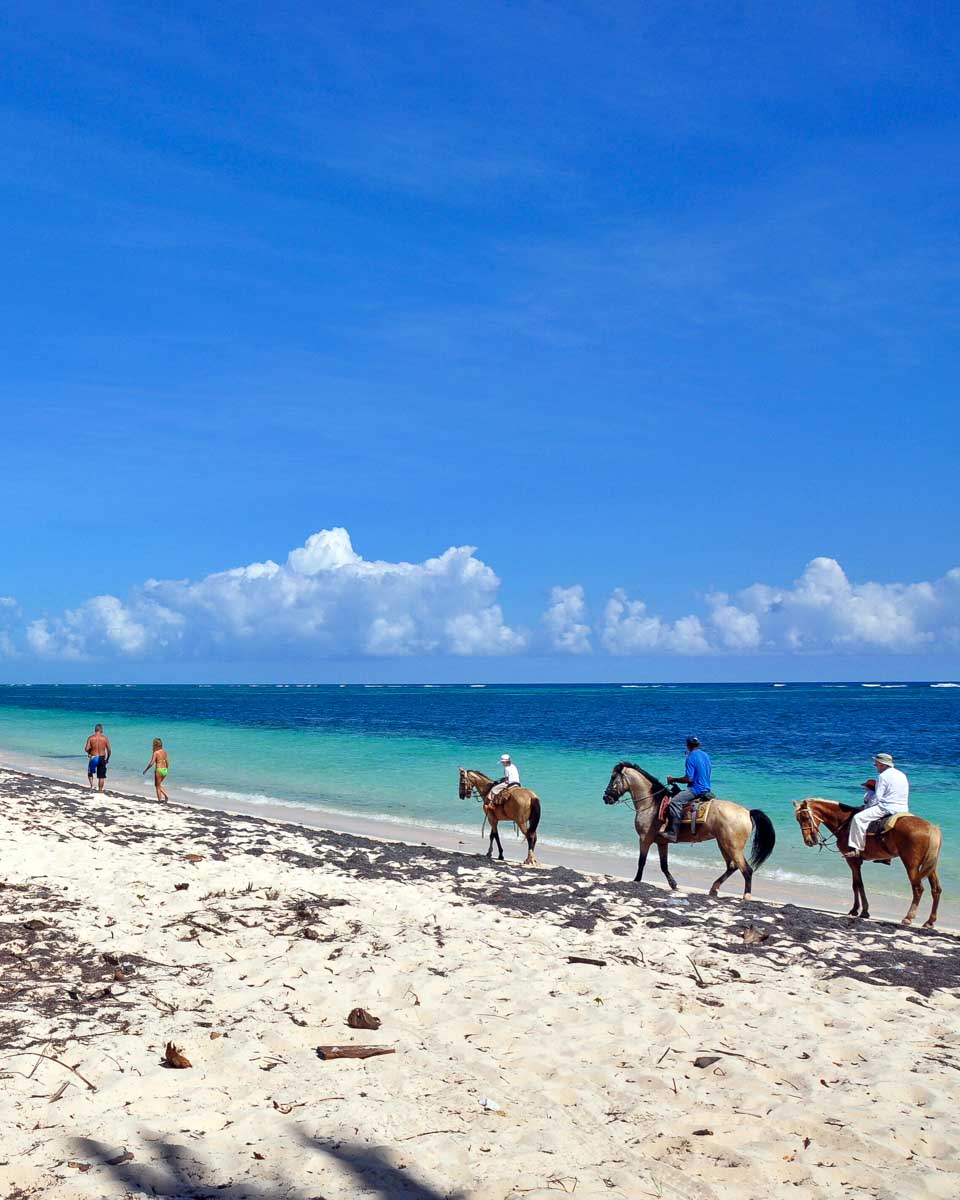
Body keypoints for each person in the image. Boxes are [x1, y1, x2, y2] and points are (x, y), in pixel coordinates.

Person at [843, 753, 909, 858]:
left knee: (858, 818)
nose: (875, 766)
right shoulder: (901, 774)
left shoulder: (882, 776)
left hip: (887, 808)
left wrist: (867, 807)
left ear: (882, 764)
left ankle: (856, 849)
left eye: (876, 764)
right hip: (903, 808)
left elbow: (877, 797)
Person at [663, 736, 713, 843]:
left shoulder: (690, 758)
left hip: (696, 790)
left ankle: (673, 833)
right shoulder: (706, 756)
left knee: (675, 802)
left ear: (688, 746)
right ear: (698, 745)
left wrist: (674, 779)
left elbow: (689, 779)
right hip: (707, 789)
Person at [84, 723, 111, 792]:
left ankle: (91, 786)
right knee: (101, 776)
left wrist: (89, 752)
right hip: (102, 757)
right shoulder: (105, 738)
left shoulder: (91, 738)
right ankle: (100, 790)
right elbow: (109, 750)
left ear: (95, 730)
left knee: (90, 772)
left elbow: (86, 749)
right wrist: (107, 759)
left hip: (93, 757)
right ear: (101, 730)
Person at [143, 737, 170, 802]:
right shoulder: (165, 752)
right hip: (165, 770)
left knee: (157, 786)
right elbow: (167, 762)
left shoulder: (156, 753)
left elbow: (152, 763)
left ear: (155, 745)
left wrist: (146, 770)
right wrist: (166, 769)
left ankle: (160, 800)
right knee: (158, 785)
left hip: (159, 770)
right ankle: (165, 796)